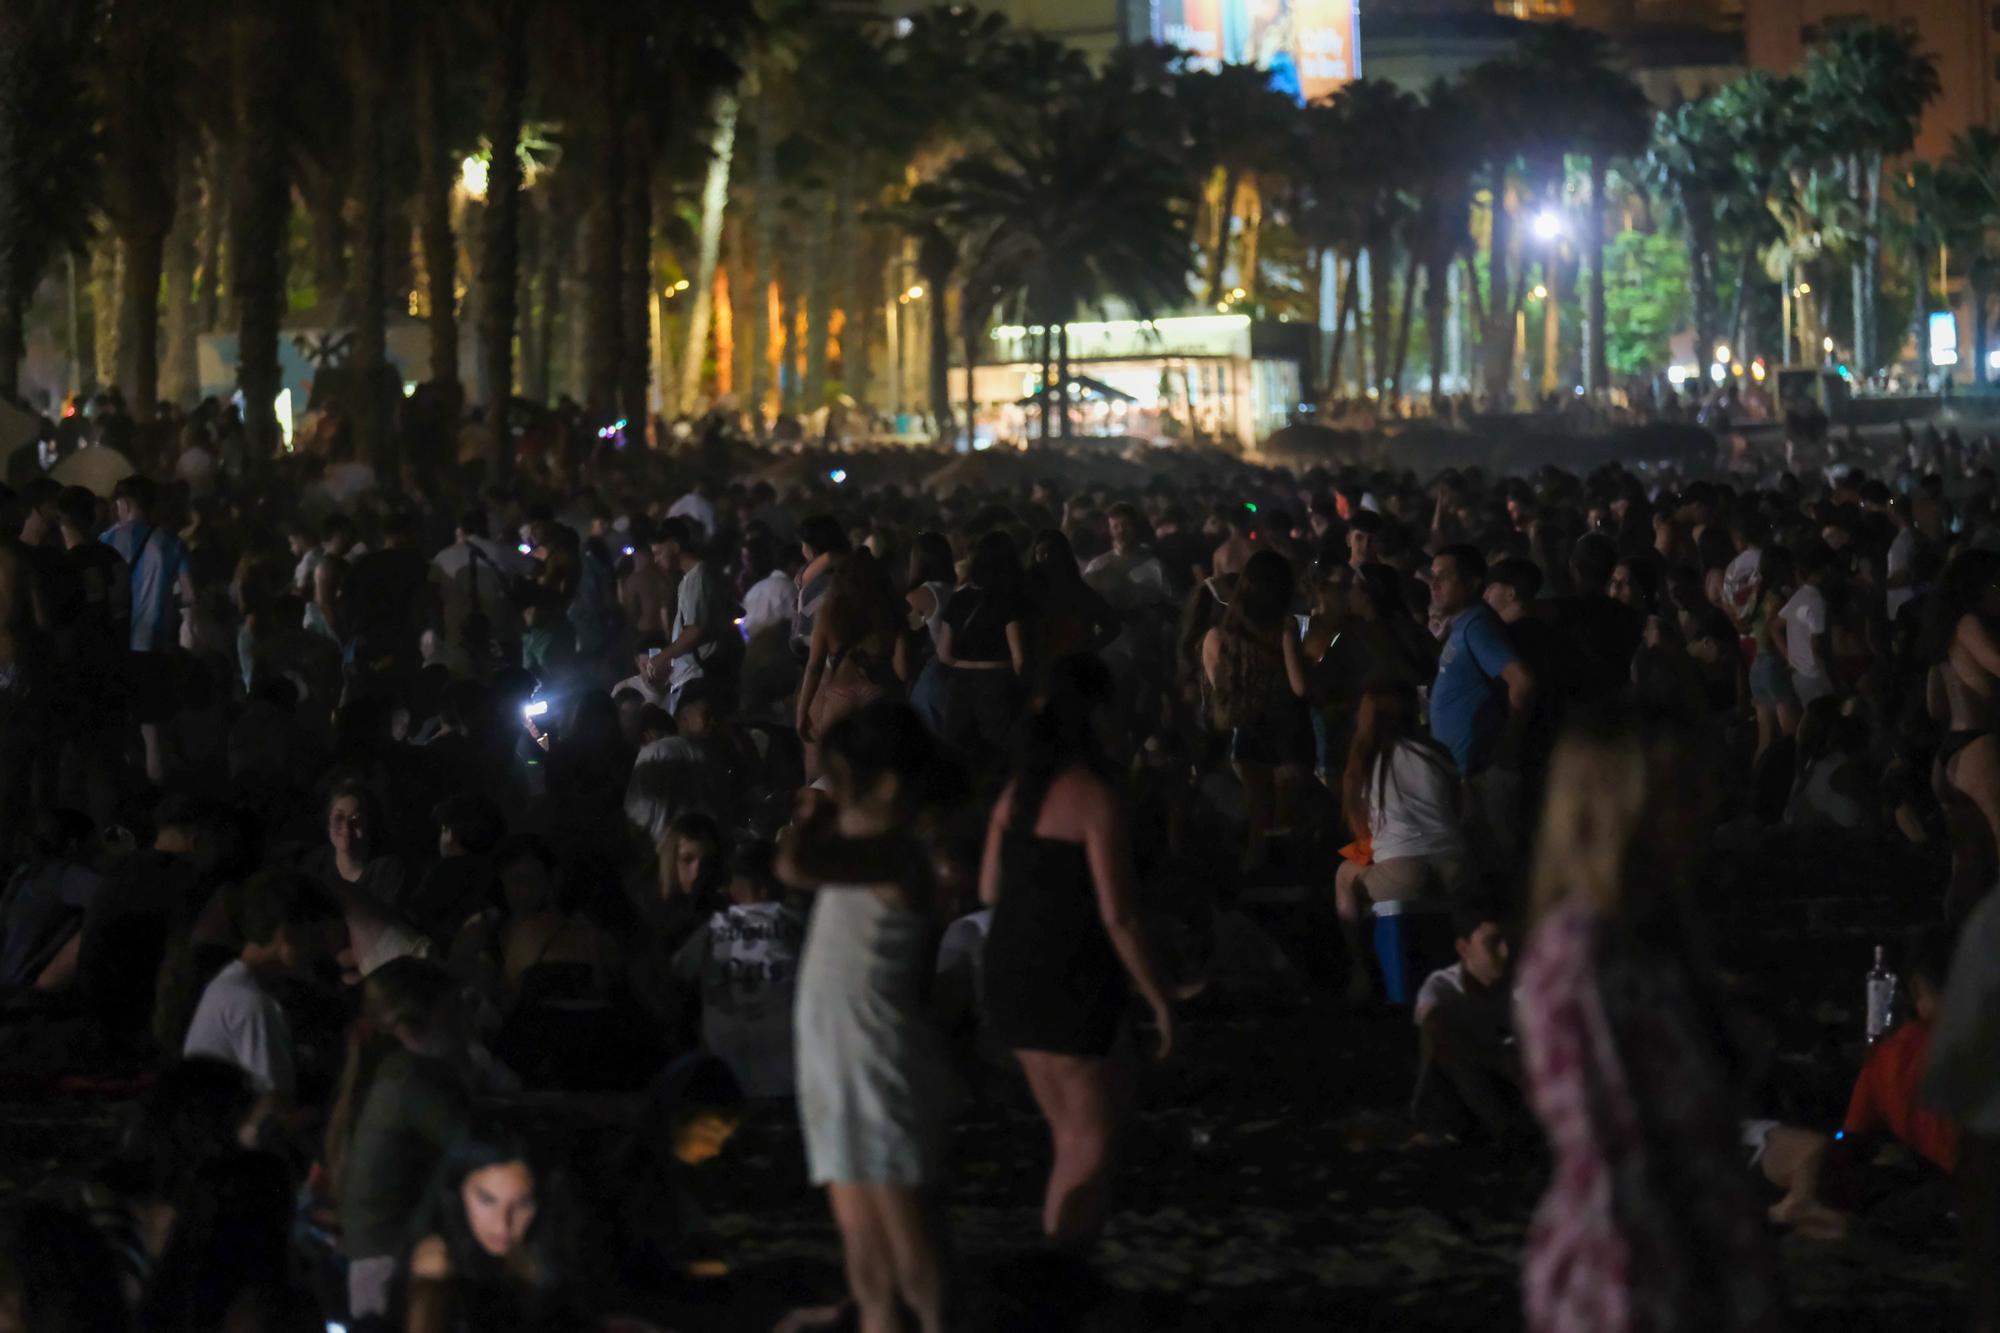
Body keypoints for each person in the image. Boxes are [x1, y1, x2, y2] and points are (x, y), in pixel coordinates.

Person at [1516, 712, 1780, 1333]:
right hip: (1636, 1281)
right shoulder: (1582, 953)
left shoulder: (1649, 939)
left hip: (1697, 1255)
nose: (1704, 809)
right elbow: (1613, 1162)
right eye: (1679, 794)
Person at [979, 655, 1174, 1244]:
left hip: (1011, 969)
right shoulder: (1093, 796)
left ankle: (1062, 1262)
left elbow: (989, 888)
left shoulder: (1016, 795)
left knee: (1071, 1132)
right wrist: (1160, 998)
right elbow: (1120, 914)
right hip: (1067, 976)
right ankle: (1062, 1269)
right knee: (1088, 1143)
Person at [777, 700, 956, 1333]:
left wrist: (814, 819)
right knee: (866, 1264)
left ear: (885, 786)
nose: (832, 792)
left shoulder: (899, 856)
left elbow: (794, 864)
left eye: (841, 780)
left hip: (879, 1057)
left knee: (916, 1262)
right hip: (835, 1054)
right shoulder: (874, 847)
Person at [326, 958, 473, 1322]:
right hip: (398, 1272)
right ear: (412, 1026)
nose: (465, 1029)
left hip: (376, 1270)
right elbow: (477, 1150)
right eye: (453, 1016)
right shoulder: (411, 1078)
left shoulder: (383, 1075)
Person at [1334, 682, 1469, 1001]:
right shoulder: (1437, 752)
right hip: (1457, 866)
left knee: (1343, 876)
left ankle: (1360, 971)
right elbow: (1459, 810)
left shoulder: (1365, 762)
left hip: (1403, 872)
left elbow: (1364, 838)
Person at [181, 867, 342, 1101]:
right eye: (317, 937)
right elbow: (276, 1109)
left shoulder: (227, 987)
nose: (321, 951)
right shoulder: (254, 1005)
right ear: (288, 934)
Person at [406, 1121, 580, 1333]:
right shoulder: (436, 1262)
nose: (503, 1224)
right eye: (487, 1200)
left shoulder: (541, 1245)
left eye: (522, 1204)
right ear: (458, 1193)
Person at [1201, 549, 1310, 872]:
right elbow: (1300, 686)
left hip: (1249, 730)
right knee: (1291, 823)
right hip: (1289, 732)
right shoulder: (1284, 626)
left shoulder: (1224, 633)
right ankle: (1296, 888)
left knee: (1259, 826)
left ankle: (1254, 888)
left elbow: (1220, 687)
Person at [672, 840, 805, 1098]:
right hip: (790, 1082)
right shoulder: (800, 927)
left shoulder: (713, 930)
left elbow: (674, 976)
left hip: (725, 1083)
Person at [1410, 900, 1525, 1144]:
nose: (1505, 951)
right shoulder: (1442, 986)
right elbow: (1434, 1027)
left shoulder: (1521, 984)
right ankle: (1501, 1127)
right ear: (1464, 948)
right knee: (1440, 1034)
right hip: (1459, 1100)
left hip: (1512, 1088)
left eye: (1508, 941)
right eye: (1493, 943)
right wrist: (1496, 1058)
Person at [1925, 548, 2000, 922]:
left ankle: (1951, 952)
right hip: (1979, 746)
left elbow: (1933, 705)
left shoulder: (1942, 636)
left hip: (1949, 756)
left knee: (1966, 869)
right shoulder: (1971, 623)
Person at [798, 548, 903, 781]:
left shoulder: (829, 613)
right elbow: (900, 668)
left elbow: (814, 667)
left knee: (831, 768)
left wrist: (802, 710)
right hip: (876, 694)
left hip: (840, 693)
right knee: (873, 768)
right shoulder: (887, 614)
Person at [938, 530, 1028, 762]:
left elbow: (943, 653)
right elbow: (1020, 657)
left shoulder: (958, 598)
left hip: (959, 686)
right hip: (997, 683)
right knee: (999, 756)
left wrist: (962, 664)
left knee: (958, 755)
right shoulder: (1008, 600)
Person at [641, 517, 726, 712]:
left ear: (674, 546)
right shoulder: (688, 579)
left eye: (658, 553)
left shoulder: (698, 577)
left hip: (696, 677)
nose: (656, 560)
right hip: (689, 675)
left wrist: (662, 658)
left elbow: (694, 630)